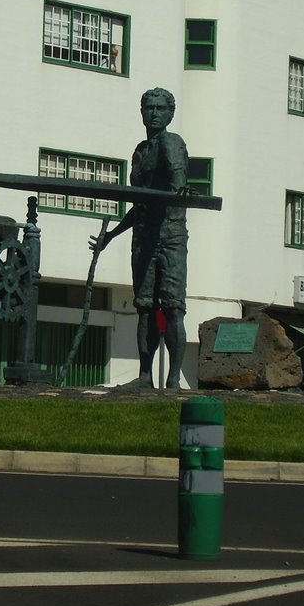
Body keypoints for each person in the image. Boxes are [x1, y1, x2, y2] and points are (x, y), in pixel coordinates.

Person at [91, 87, 189, 389]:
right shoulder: (140, 151)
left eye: (161, 108)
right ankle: (146, 375)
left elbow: (177, 180)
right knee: (145, 305)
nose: (155, 113)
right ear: (142, 112)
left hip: (169, 235)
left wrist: (180, 188)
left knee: (172, 306)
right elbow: (139, 205)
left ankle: (173, 379)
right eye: (149, 108)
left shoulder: (171, 143)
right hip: (143, 236)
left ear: (171, 113)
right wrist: (111, 236)